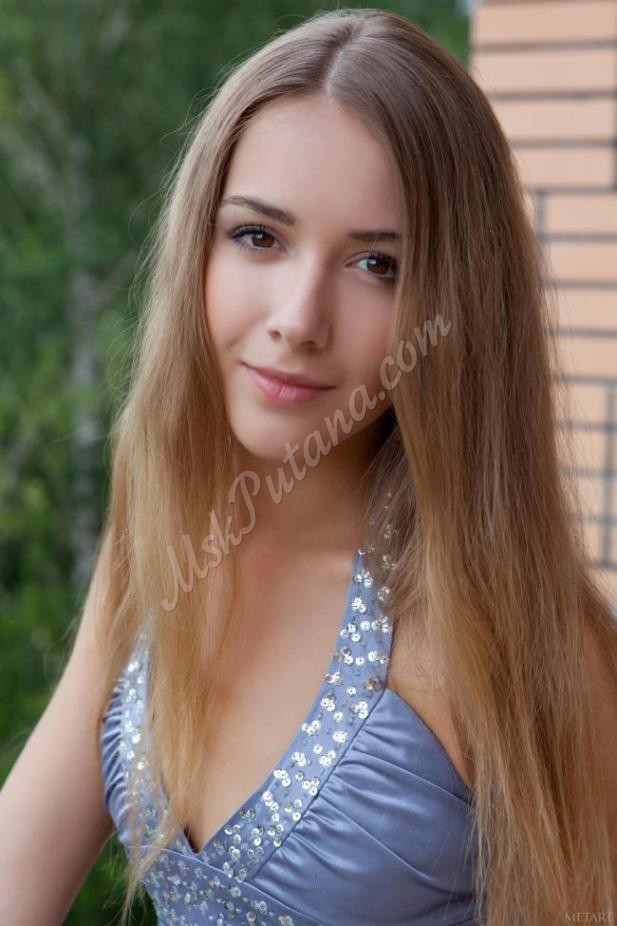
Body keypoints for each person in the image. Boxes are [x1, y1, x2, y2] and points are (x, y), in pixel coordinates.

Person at [1, 7, 616, 925]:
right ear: (198, 245)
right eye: (259, 236)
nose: (298, 318)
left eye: (377, 265)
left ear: (453, 308)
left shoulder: (511, 630)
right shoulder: (163, 524)